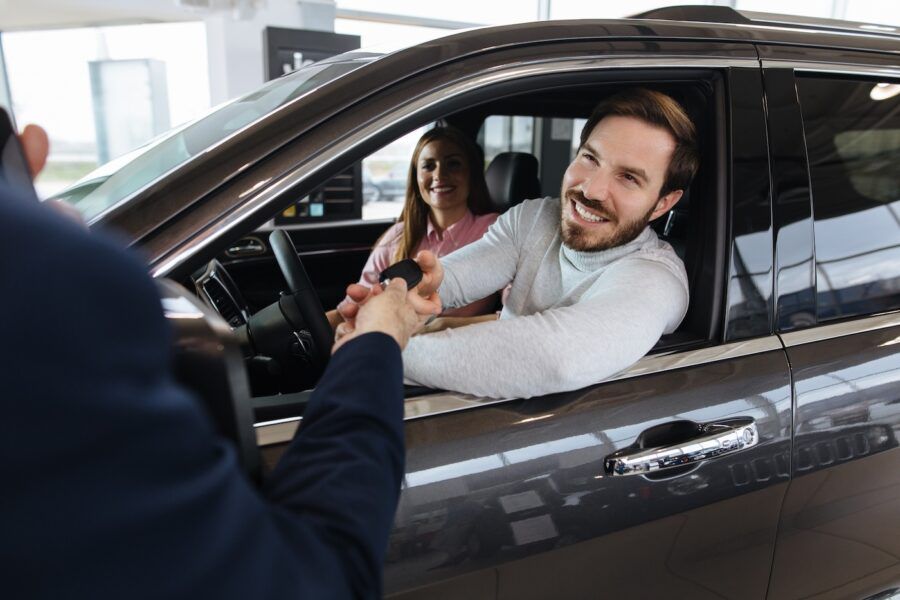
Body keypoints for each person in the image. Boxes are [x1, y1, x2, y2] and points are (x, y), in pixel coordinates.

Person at [2, 128, 439, 599]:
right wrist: (377, 337)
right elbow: (313, 580)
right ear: (29, 151)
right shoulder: (48, 286)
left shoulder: (45, 283)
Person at [338, 88, 699, 399]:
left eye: (629, 178)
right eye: (590, 158)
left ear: (664, 202)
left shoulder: (656, 278)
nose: (590, 189)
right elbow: (449, 279)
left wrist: (374, 348)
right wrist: (389, 306)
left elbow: (558, 358)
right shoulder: (535, 218)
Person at [328, 126, 501, 329]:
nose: (439, 175)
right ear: (416, 177)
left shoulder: (494, 230)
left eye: (453, 164)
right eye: (428, 166)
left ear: (471, 174)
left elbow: (516, 315)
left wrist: (444, 325)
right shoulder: (398, 235)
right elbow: (354, 308)